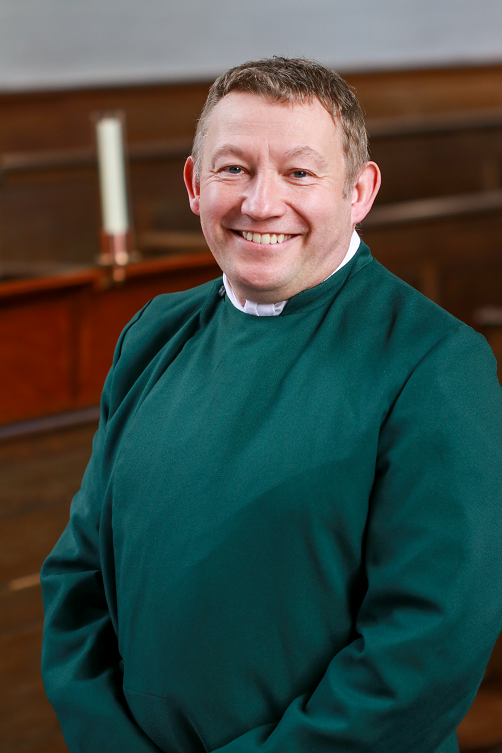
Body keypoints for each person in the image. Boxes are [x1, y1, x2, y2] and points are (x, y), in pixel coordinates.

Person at [41, 58, 502, 753]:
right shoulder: (152, 335)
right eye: (233, 169)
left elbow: (428, 643)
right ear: (196, 185)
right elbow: (78, 577)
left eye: (299, 172)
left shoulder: (434, 364)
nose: (260, 202)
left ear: (359, 190)